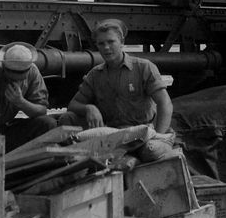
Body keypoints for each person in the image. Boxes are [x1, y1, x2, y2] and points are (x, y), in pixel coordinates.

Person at [60, 19, 178, 162]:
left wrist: (159, 135)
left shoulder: (143, 67)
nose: (106, 47)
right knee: (67, 119)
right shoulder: (95, 75)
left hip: (143, 132)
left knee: (151, 151)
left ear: (122, 42)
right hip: (113, 133)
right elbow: (73, 105)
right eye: (101, 44)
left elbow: (165, 103)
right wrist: (89, 108)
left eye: (111, 42)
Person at [0, 43, 57, 151]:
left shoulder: (33, 71)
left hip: (3, 127)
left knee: (47, 124)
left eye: (20, 78)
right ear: (4, 67)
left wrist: (21, 102)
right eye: (11, 77)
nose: (15, 82)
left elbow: (41, 110)